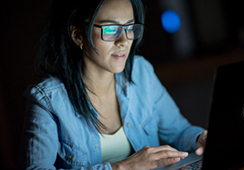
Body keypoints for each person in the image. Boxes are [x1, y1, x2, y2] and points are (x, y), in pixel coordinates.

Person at [18, 0, 207, 169]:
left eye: (130, 28)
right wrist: (122, 167)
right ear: (78, 35)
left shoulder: (140, 72)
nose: (124, 41)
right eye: (110, 29)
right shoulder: (47, 100)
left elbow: (179, 131)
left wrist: (201, 138)